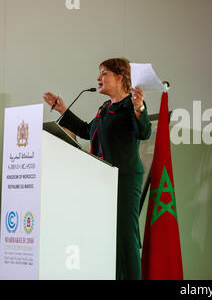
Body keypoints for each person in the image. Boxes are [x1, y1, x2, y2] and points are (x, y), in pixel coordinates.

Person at [43, 58, 152, 280]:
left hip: (124, 180)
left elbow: (144, 132)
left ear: (120, 77)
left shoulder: (130, 106)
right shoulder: (105, 108)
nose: (98, 78)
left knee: (125, 238)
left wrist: (140, 107)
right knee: (108, 237)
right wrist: (63, 109)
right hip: (102, 180)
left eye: (103, 73)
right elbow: (85, 130)